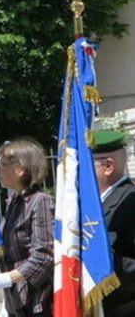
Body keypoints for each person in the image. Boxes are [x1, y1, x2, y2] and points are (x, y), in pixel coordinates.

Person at [0, 139, 53, 317]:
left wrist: (6, 279)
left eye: (1, 164)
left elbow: (44, 256)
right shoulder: (13, 202)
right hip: (15, 300)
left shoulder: (40, 201)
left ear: (20, 169)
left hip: (37, 301)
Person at [91, 129, 135, 317]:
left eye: (85, 167)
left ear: (108, 166)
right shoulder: (96, 205)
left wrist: (99, 259)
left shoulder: (130, 201)